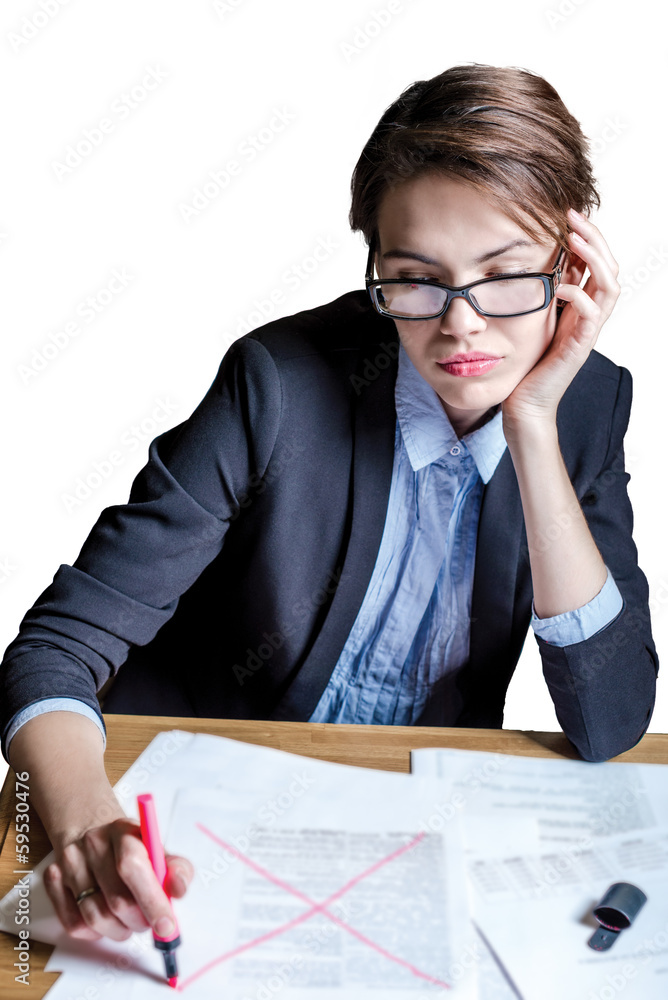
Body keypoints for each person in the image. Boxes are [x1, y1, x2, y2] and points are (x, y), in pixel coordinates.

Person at [1, 63, 658, 945]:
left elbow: (612, 721)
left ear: (573, 266)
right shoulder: (278, 384)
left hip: (404, 830)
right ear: (377, 270)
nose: (461, 324)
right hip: (194, 821)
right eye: (415, 278)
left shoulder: (589, 407)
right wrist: (88, 821)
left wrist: (532, 426)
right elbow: (55, 648)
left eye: (505, 276)